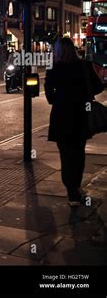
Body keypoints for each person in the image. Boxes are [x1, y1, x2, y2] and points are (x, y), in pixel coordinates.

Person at [45, 38, 104, 206]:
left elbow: (49, 95)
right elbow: (99, 87)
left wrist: (60, 98)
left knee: (65, 155)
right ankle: (75, 188)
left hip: (61, 116)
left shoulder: (54, 68)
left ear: (57, 51)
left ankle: (71, 191)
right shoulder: (84, 65)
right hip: (81, 114)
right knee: (78, 152)